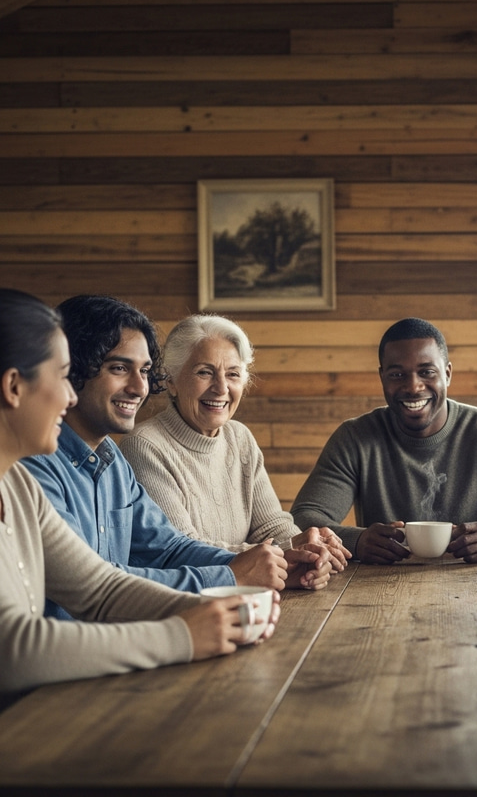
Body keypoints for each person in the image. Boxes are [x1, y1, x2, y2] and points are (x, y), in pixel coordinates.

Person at [0, 288, 280, 697]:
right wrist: (183, 635)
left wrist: (220, 610)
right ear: (13, 387)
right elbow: (13, 650)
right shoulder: (34, 471)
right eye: (62, 376)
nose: (69, 395)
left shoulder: (18, 485)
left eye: (146, 371)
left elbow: (99, 589)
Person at [22, 295, 321, 621]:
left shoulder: (112, 462)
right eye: (120, 368)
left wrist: (277, 563)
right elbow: (97, 585)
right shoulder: (33, 465)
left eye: (146, 371)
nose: (139, 388)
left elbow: (168, 549)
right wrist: (233, 576)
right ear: (73, 369)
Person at [291, 317, 477, 564]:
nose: (413, 387)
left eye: (426, 372)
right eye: (397, 374)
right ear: (382, 378)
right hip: (377, 588)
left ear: (447, 374)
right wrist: (357, 541)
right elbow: (303, 519)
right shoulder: (355, 438)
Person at [119, 313, 349, 584]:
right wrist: (286, 551)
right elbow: (180, 550)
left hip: (247, 594)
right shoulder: (143, 445)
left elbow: (271, 525)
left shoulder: (240, 438)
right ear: (171, 381)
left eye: (233, 374)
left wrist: (310, 552)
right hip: (188, 604)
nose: (221, 388)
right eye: (204, 372)